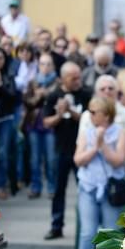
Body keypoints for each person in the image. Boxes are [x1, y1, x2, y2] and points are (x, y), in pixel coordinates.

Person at [73, 96, 125, 249]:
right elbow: (78, 160)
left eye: (94, 112)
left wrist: (103, 144)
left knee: (111, 233)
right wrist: (94, 148)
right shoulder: (86, 132)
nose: (90, 115)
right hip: (88, 187)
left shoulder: (119, 132)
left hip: (110, 190)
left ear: (106, 115)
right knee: (88, 232)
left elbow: (119, 160)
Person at [43, 62, 92, 239]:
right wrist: (59, 114)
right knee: (58, 189)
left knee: (84, 189)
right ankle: (56, 226)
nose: (78, 80)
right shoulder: (54, 95)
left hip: (81, 150)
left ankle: (84, 226)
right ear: (63, 78)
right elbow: (46, 122)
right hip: (60, 149)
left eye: (79, 76)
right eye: (73, 78)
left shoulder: (86, 93)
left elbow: (90, 119)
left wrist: (70, 110)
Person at [22, 52, 58, 198]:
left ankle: (51, 187)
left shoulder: (58, 82)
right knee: (35, 159)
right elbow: (27, 101)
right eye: (42, 63)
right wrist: (38, 95)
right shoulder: (32, 82)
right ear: (38, 65)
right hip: (34, 124)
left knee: (51, 159)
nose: (45, 67)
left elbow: (59, 100)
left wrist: (47, 94)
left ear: (53, 66)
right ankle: (35, 187)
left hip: (50, 124)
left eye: (49, 64)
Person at [0, 47, 17, 199]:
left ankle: (1, 185)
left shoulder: (9, 75)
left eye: (0, 58)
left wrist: (0, 85)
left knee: (3, 153)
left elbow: (12, 96)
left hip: (5, 120)